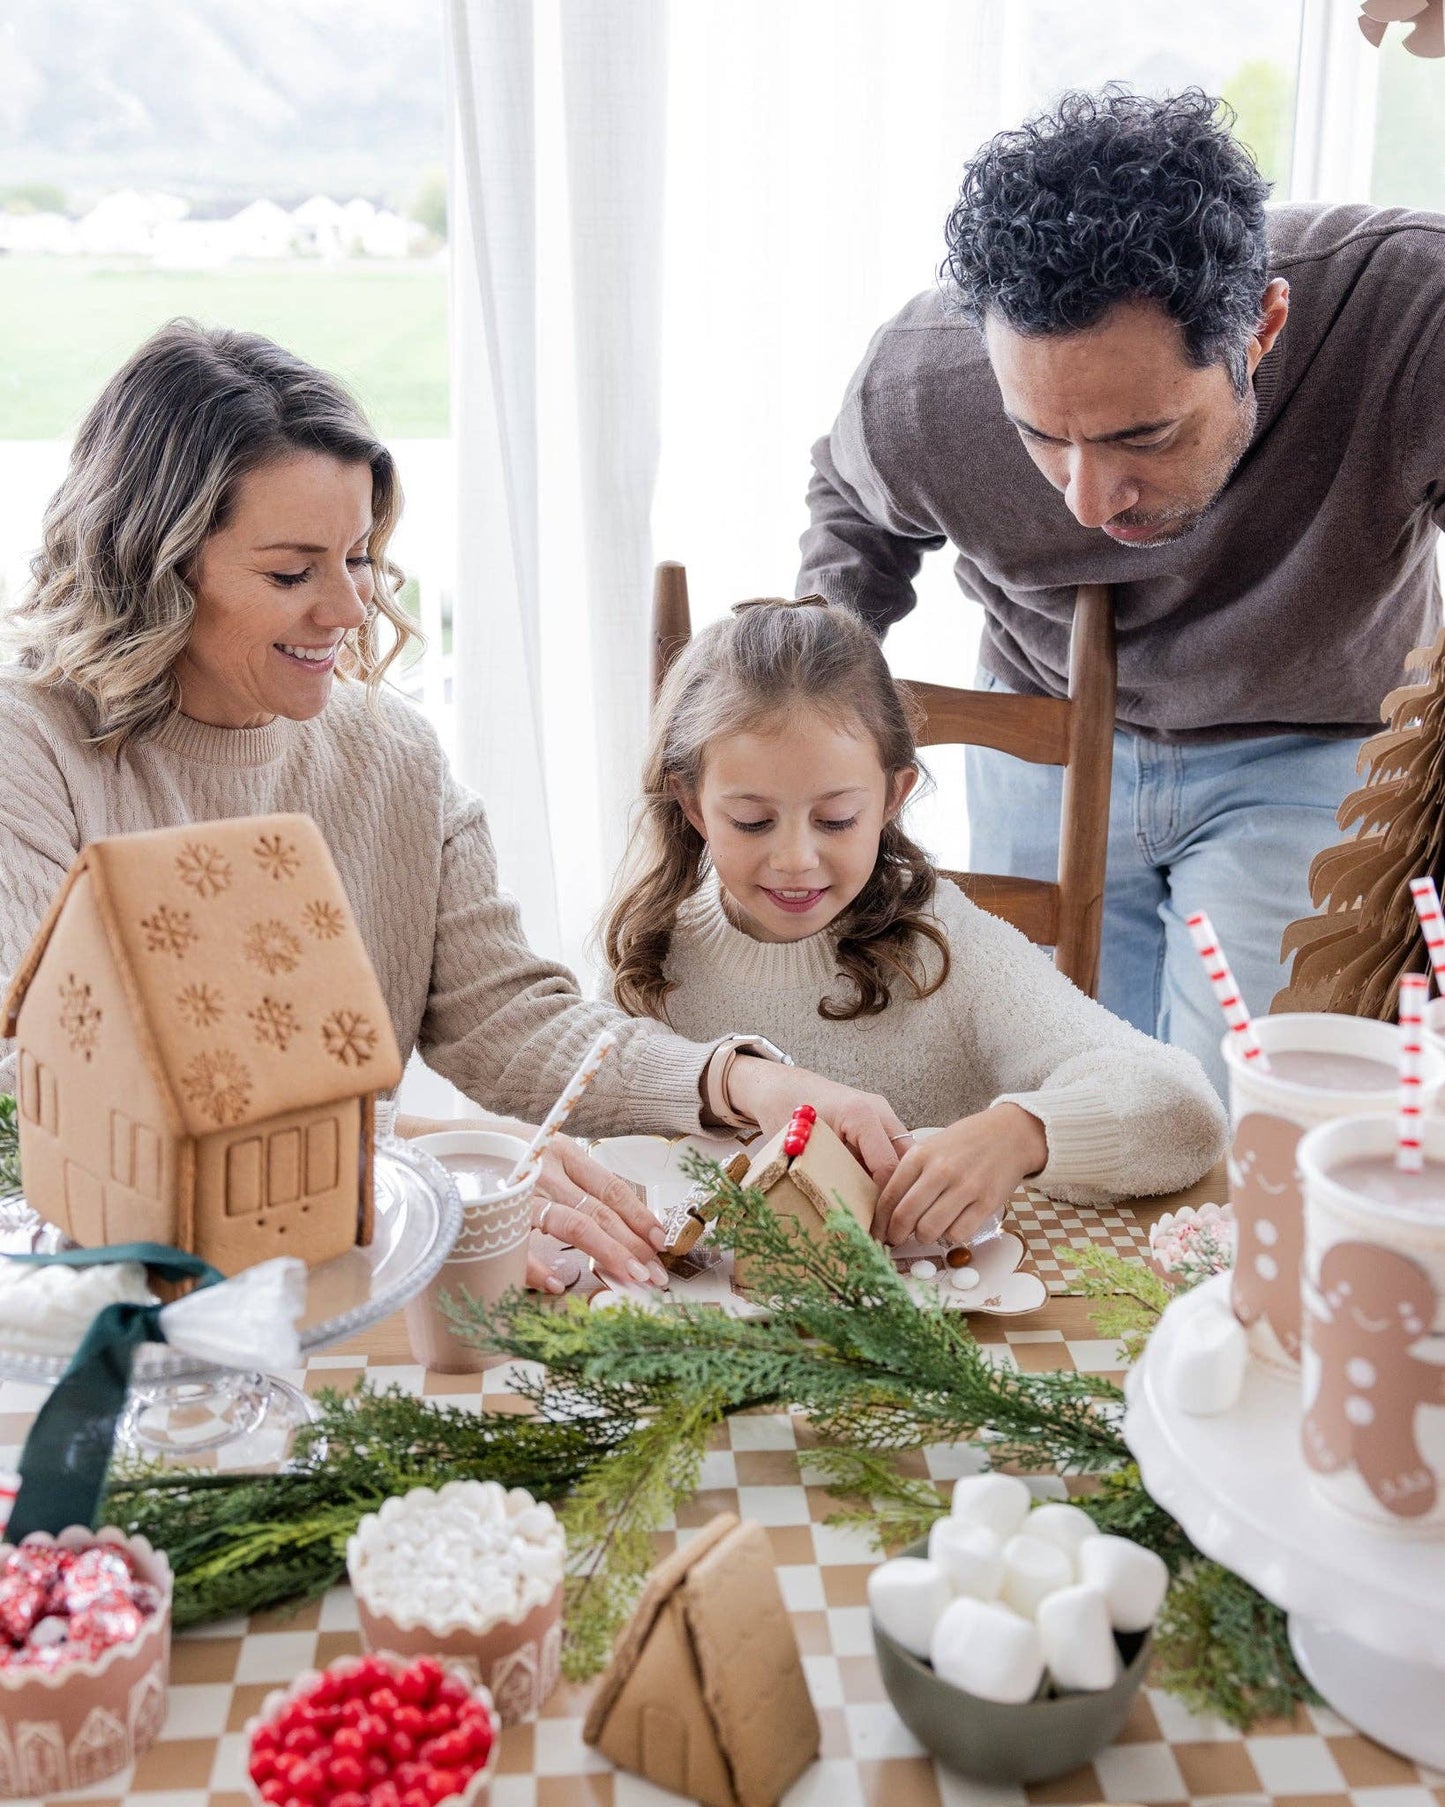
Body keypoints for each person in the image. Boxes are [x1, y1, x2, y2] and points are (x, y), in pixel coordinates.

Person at [0, 321, 908, 1294]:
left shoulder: (390, 756)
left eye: (358, 558)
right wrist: (422, 1164)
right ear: (156, 565)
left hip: (329, 1267)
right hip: (101, 1291)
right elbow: (33, 1087)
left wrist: (741, 1083)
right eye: (290, 572)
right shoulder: (32, 744)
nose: (349, 610)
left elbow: (510, 1023)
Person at [799, 87, 1445, 1097]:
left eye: (1141, 435)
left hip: (1306, 739)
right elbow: (850, 509)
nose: (1087, 500)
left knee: (1236, 1104)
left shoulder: (1409, 313)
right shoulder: (921, 386)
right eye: (1039, 437)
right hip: (1043, 732)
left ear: (1260, 329)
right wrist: (820, 690)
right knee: (1048, 1087)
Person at [602, 598, 1224, 1244]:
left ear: (892, 797)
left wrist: (1021, 1132)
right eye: (752, 821)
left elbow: (1187, 1111)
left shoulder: (944, 945)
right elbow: (595, 1153)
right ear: (692, 804)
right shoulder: (654, 954)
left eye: (836, 818)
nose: (793, 860)